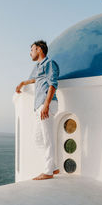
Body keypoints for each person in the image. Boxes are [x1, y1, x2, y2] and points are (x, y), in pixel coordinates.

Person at [15, 40, 60, 180]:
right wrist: (23, 83)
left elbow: (53, 84)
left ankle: (48, 172)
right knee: (38, 138)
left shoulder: (50, 63)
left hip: (46, 103)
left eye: (32, 50)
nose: (30, 53)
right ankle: (54, 167)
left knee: (47, 138)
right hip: (39, 105)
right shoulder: (39, 66)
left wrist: (46, 104)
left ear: (39, 49)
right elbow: (36, 79)